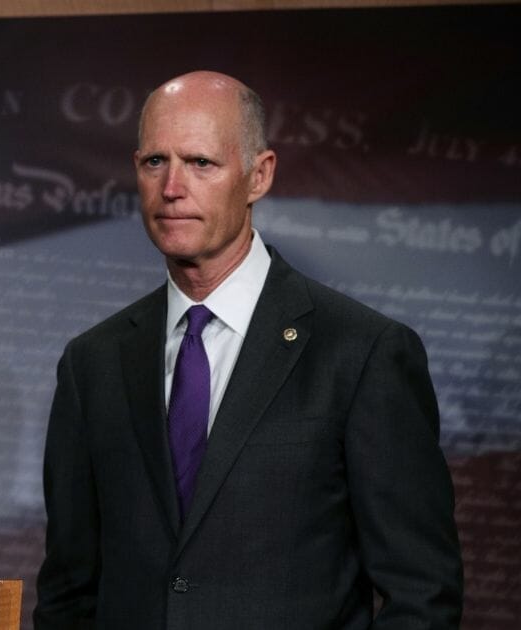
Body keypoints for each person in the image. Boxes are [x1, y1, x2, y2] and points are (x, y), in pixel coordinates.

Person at [34, 71, 462, 628]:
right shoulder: (92, 363)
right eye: (154, 162)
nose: (171, 188)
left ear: (258, 176)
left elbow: (422, 594)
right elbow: (68, 592)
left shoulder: (363, 354)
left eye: (201, 163)